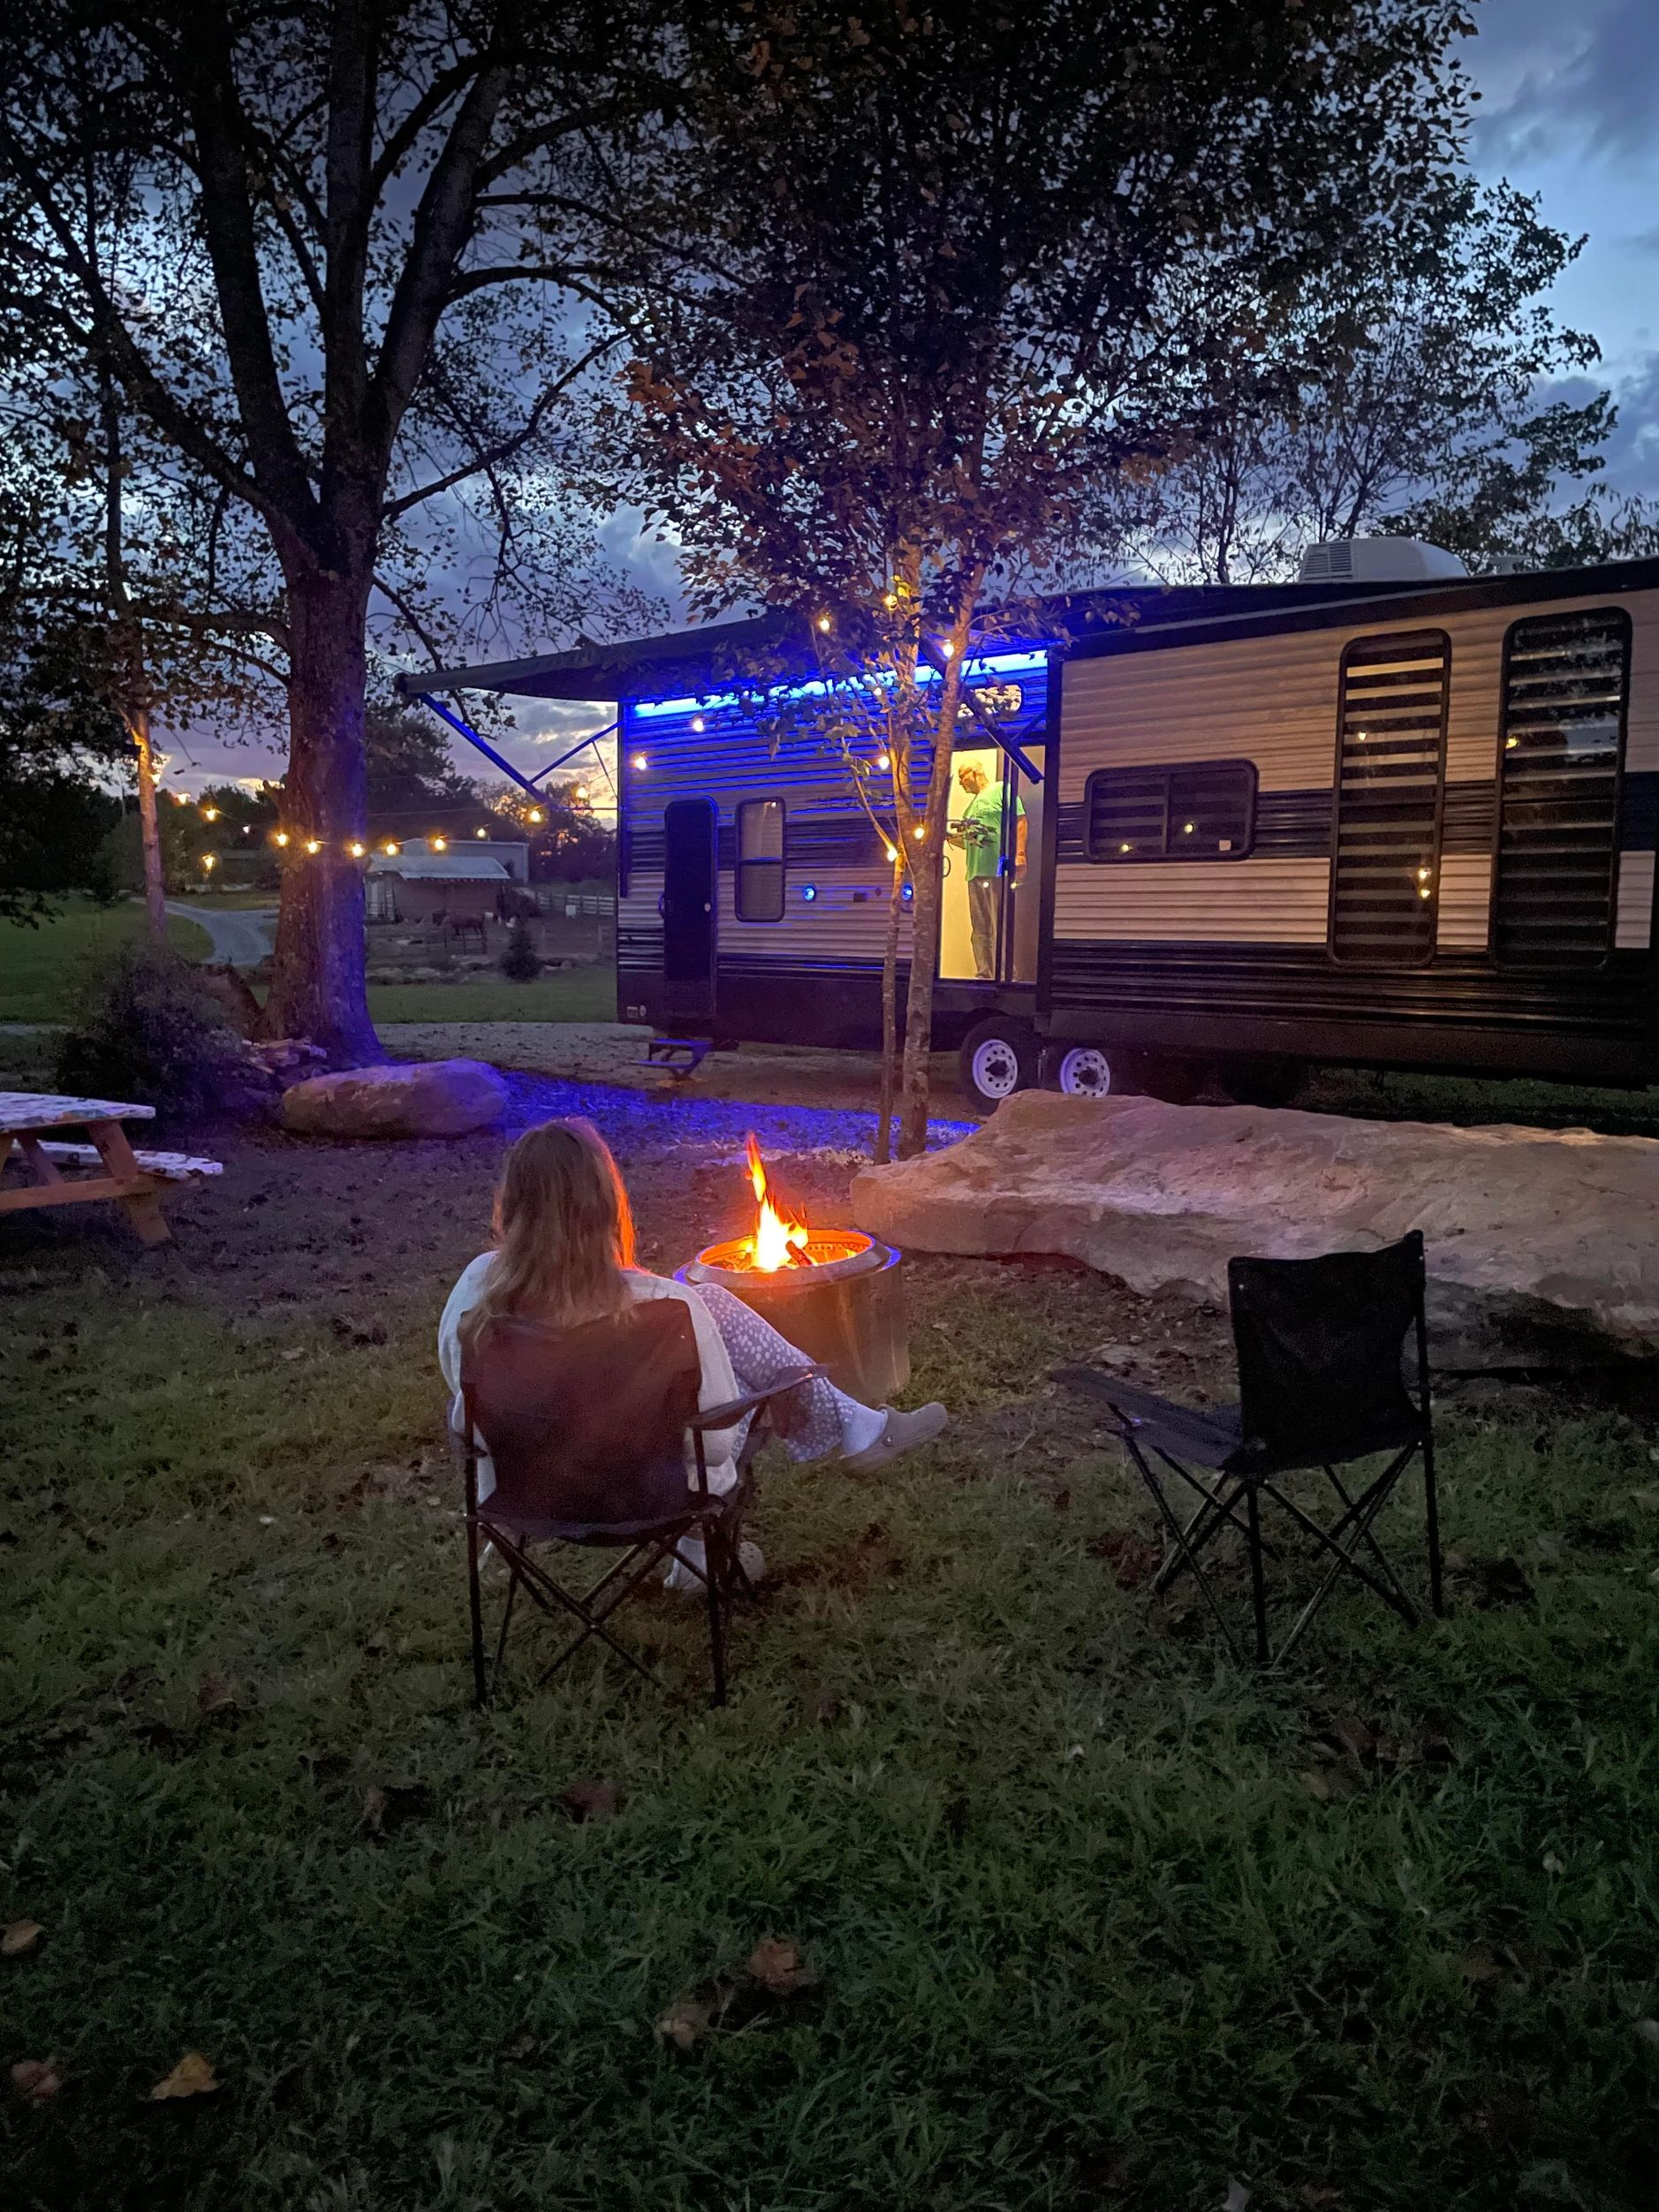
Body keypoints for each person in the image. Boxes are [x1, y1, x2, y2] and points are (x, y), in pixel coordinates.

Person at [438, 1117, 948, 1587]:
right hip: (656, 1497)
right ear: (605, 1205)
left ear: (511, 1204)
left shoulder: (475, 1293)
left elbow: (468, 1400)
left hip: (524, 1496)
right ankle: (706, 1555)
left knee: (711, 1320)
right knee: (733, 1375)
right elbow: (718, 1446)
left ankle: (855, 1428)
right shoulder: (663, 1304)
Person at [948, 762, 1025, 981]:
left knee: (999, 922)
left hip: (996, 868)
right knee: (980, 927)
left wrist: (1019, 854)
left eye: (962, 777)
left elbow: (1020, 820)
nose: (961, 783)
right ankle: (984, 973)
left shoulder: (1001, 789)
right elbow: (967, 842)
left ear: (975, 772)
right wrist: (949, 836)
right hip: (974, 872)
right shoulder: (970, 808)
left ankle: (1006, 974)